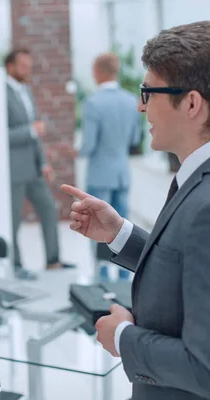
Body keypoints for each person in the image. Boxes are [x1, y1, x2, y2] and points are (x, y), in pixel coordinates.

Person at [62, 21, 210, 400]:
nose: (140, 105)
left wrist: (123, 338)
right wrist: (119, 234)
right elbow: (191, 260)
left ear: (192, 104)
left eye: (148, 92)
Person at [67, 52, 142, 282]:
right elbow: (135, 139)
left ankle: (101, 276)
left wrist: (76, 152)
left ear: (98, 72)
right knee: (123, 226)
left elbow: (88, 145)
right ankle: (124, 273)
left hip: (100, 174)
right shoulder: (131, 101)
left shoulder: (93, 102)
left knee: (97, 225)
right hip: (122, 173)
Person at [5, 49, 75, 280]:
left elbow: (35, 134)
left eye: (29, 66)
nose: (28, 71)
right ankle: (15, 266)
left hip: (34, 169)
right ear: (10, 67)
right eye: (23, 66)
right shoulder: (1, 93)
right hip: (14, 170)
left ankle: (53, 261)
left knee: (49, 210)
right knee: (13, 221)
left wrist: (43, 162)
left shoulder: (26, 91)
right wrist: (29, 130)